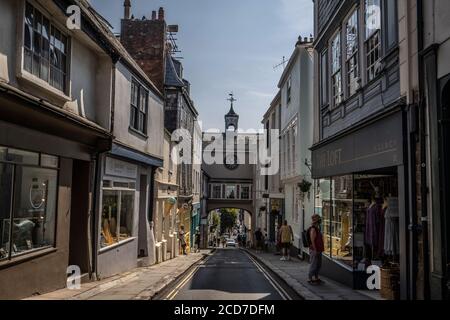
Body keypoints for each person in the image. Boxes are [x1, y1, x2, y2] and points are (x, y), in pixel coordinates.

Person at [308, 214, 325, 284]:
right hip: (315, 250)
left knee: (318, 264)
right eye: (319, 219)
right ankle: (310, 278)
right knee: (314, 264)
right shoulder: (313, 229)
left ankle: (316, 278)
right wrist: (315, 250)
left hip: (318, 249)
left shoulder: (317, 228)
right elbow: (312, 240)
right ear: (316, 221)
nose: (320, 220)